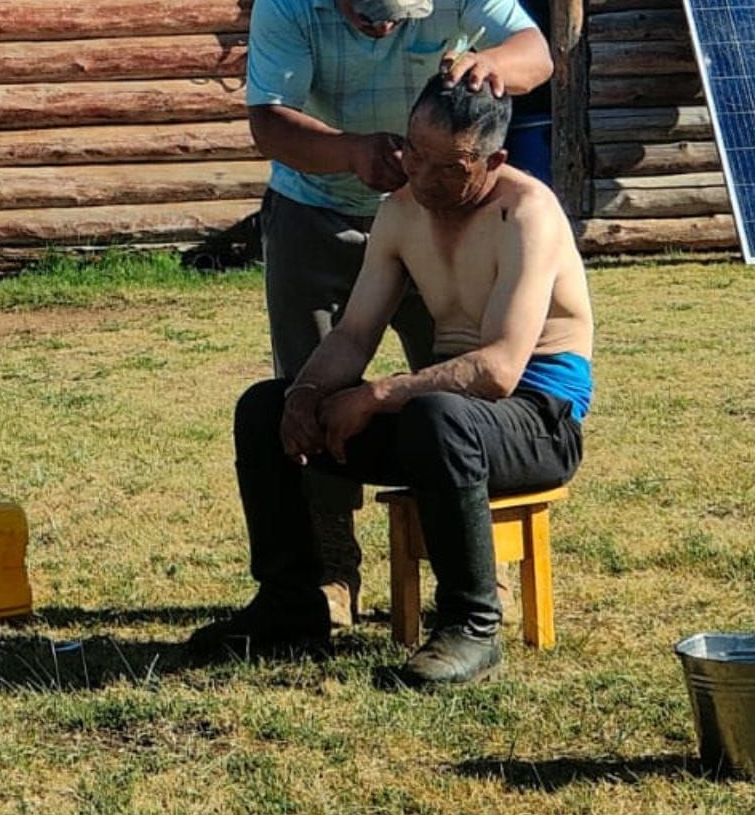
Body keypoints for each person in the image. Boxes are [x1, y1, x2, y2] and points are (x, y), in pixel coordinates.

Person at [187, 72, 593, 685]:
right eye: (414, 153)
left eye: (446, 166)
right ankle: (290, 607)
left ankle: (471, 625)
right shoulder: (401, 210)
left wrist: (377, 396)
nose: (422, 176)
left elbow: (501, 369)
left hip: (538, 419)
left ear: (494, 160)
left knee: (438, 417)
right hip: (445, 421)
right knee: (265, 408)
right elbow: (353, 336)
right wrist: (306, 394)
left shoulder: (526, 211)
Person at [231, 0, 551, 627]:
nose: (386, 25)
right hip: (318, 207)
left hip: (435, 213)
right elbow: (267, 121)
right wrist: (350, 152)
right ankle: (330, 577)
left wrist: (491, 60)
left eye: (401, 12)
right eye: (369, 13)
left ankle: (479, 572)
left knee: (455, 392)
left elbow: (537, 52)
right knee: (308, 383)